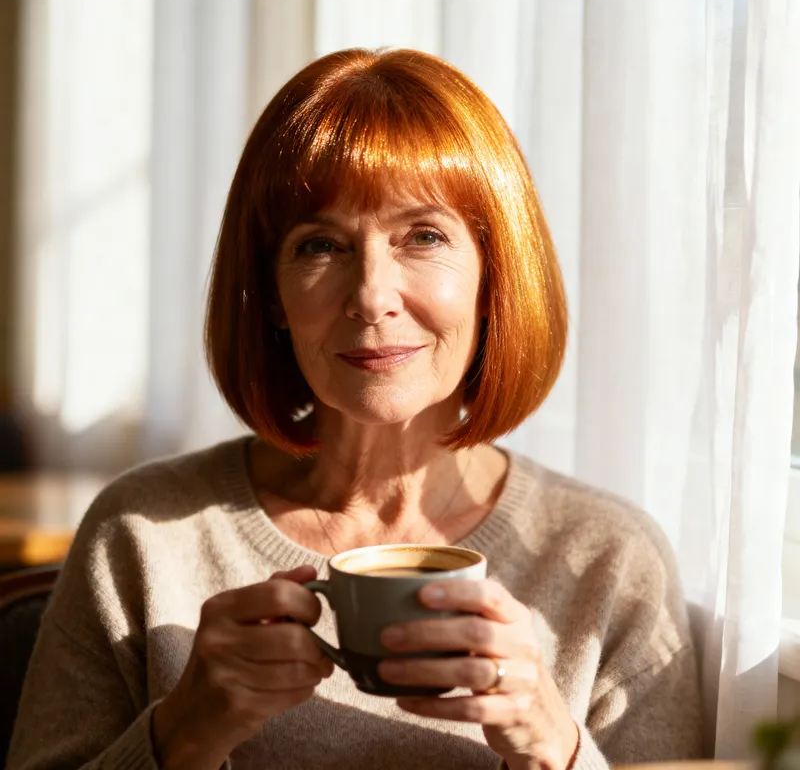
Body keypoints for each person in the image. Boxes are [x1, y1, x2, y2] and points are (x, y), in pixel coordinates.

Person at [7, 48, 703, 770]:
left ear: (493, 277)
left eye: (423, 236)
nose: (371, 296)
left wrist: (553, 744)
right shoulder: (142, 534)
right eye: (321, 245)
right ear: (271, 297)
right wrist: (180, 733)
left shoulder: (609, 562)